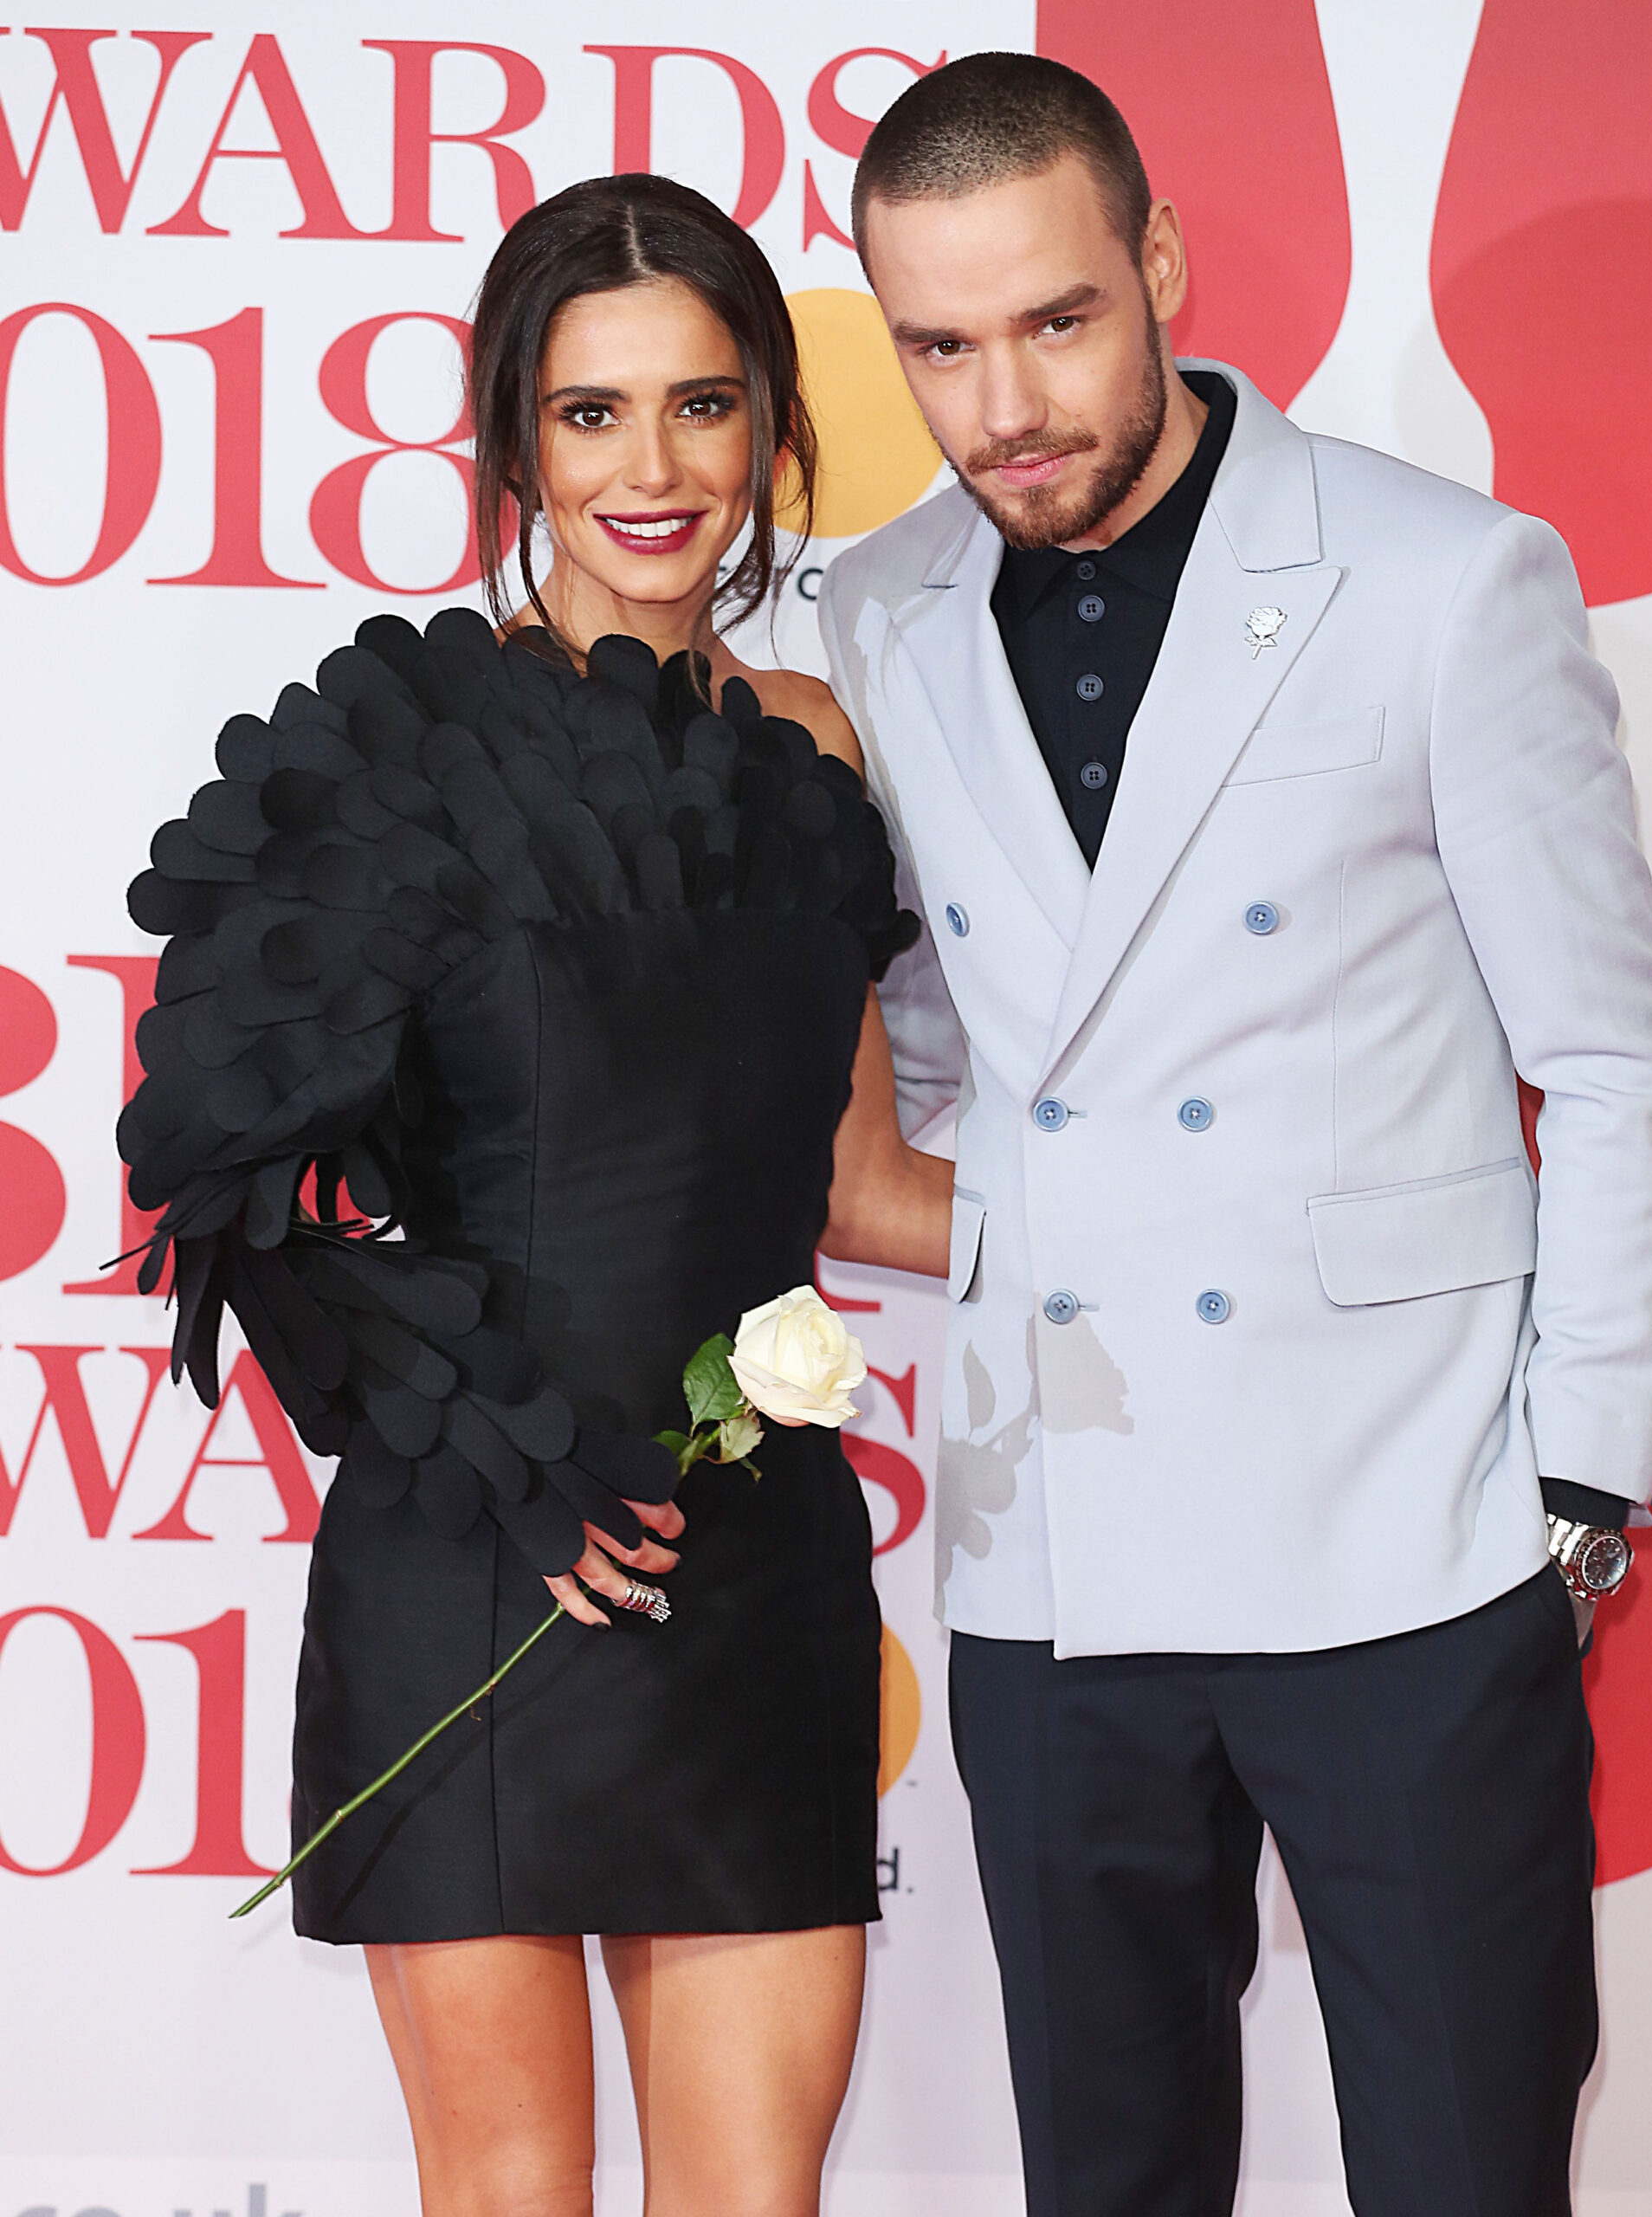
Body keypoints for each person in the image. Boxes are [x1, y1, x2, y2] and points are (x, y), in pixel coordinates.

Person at [820, 52, 1652, 2217]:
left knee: (1466, 2168)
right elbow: (952, 1039)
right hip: (1055, 1541)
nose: (1004, 402)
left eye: (1055, 321)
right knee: (1105, 2180)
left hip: (1410, 1524)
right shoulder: (874, 610)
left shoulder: (1440, 577)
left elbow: (1603, 1057)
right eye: (939, 346)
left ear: (1163, 270)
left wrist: (1577, 1489)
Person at [118, 172, 951, 2217]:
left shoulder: (821, 745)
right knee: (508, 2192)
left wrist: (1226, 1198)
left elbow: (862, 1183)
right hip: (482, 1553)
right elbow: (211, 1190)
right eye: (592, 414)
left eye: (701, 404)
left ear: (771, 426)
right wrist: (504, 1445)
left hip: (752, 1564)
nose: (652, 470)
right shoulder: (403, 751)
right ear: (509, 440)